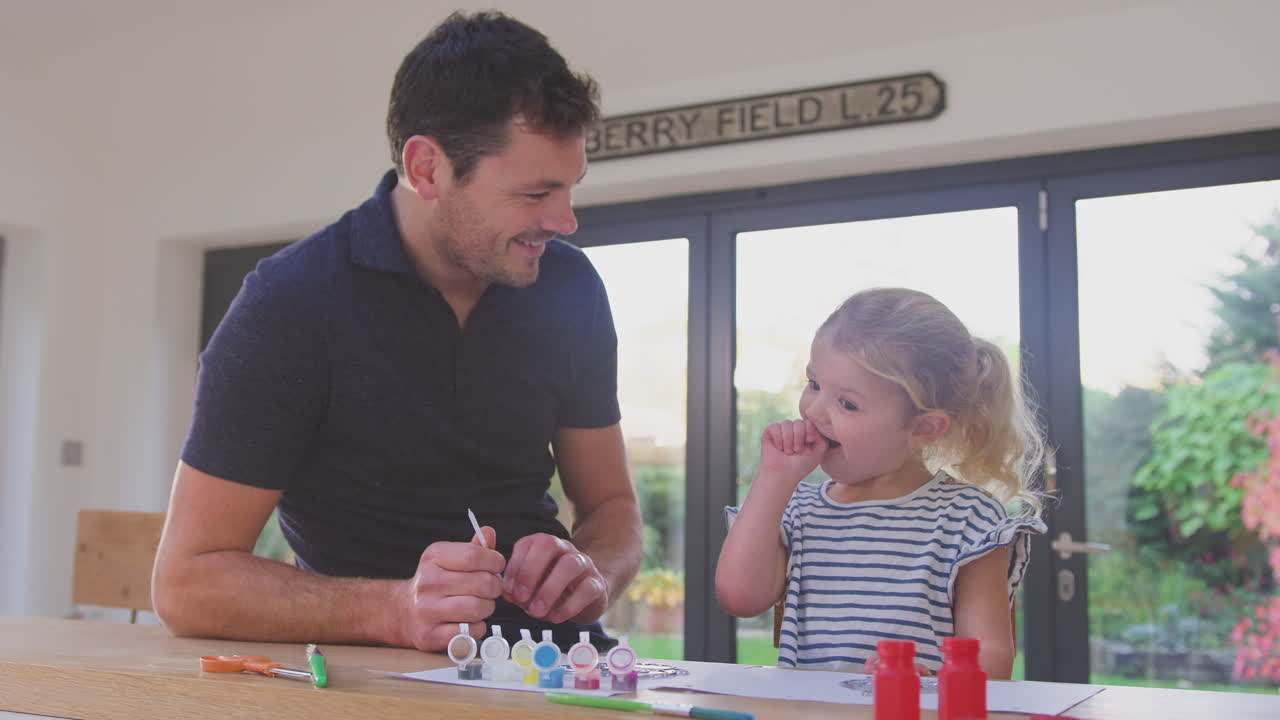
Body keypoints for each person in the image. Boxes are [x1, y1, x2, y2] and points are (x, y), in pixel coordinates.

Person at [152, 11, 642, 654]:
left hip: (556, 670)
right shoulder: (291, 303)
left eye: (571, 188)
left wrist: (593, 568)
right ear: (428, 168)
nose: (566, 220)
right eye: (535, 193)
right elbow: (187, 583)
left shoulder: (571, 286)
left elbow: (614, 512)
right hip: (374, 679)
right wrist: (392, 610)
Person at [715, 287, 1047, 678]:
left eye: (847, 403)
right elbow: (739, 597)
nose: (814, 411)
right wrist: (773, 478)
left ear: (923, 427)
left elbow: (991, 654)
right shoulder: (797, 508)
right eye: (814, 384)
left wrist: (937, 683)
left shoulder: (967, 518)